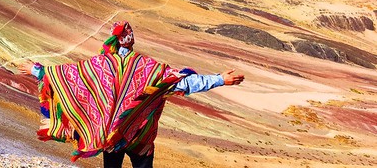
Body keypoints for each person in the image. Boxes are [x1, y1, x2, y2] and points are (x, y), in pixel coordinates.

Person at [18, 21, 244, 168]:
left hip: (112, 135)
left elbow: (66, 76)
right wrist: (221, 79)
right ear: (131, 42)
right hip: (140, 136)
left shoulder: (99, 66)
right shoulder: (150, 68)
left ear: (112, 42)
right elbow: (184, 82)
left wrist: (36, 70)